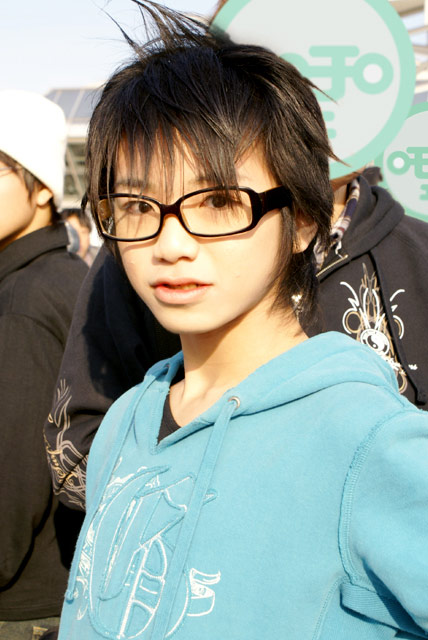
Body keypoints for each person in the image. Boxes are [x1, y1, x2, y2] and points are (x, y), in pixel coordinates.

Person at [56, 4, 428, 639]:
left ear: (302, 221)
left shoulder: (369, 443)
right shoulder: (124, 421)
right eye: (137, 205)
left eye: (220, 201)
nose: (171, 244)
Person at [0, 90, 88, 639]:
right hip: (68, 583)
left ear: (42, 189)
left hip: (21, 604)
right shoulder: (69, 275)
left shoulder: (21, 302)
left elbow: (11, 477)